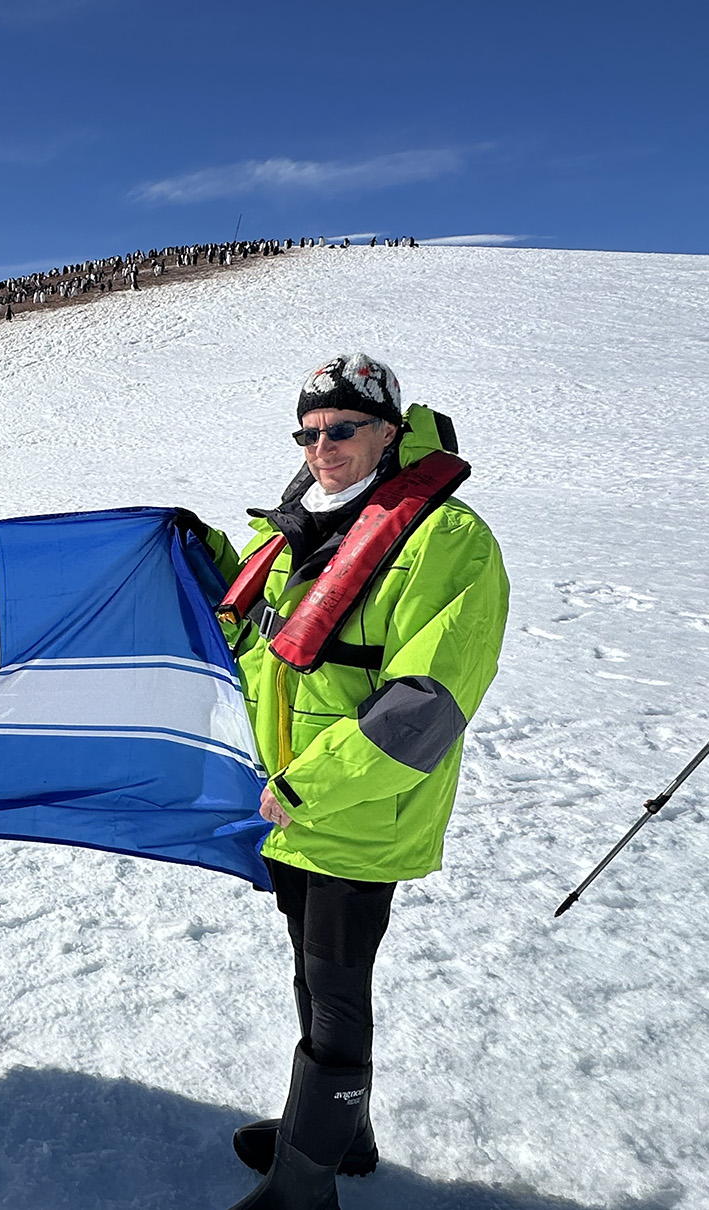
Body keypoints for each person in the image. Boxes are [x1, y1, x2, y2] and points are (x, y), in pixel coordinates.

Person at [217, 355, 509, 1209]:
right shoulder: (296, 530)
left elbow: (425, 701)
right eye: (307, 433)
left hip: (355, 808)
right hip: (289, 806)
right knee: (313, 977)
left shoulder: (445, 540)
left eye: (340, 429)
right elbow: (243, 626)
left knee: (336, 985)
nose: (321, 447)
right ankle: (338, 1135)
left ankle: (304, 1187)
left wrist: (309, 786)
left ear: (388, 431)